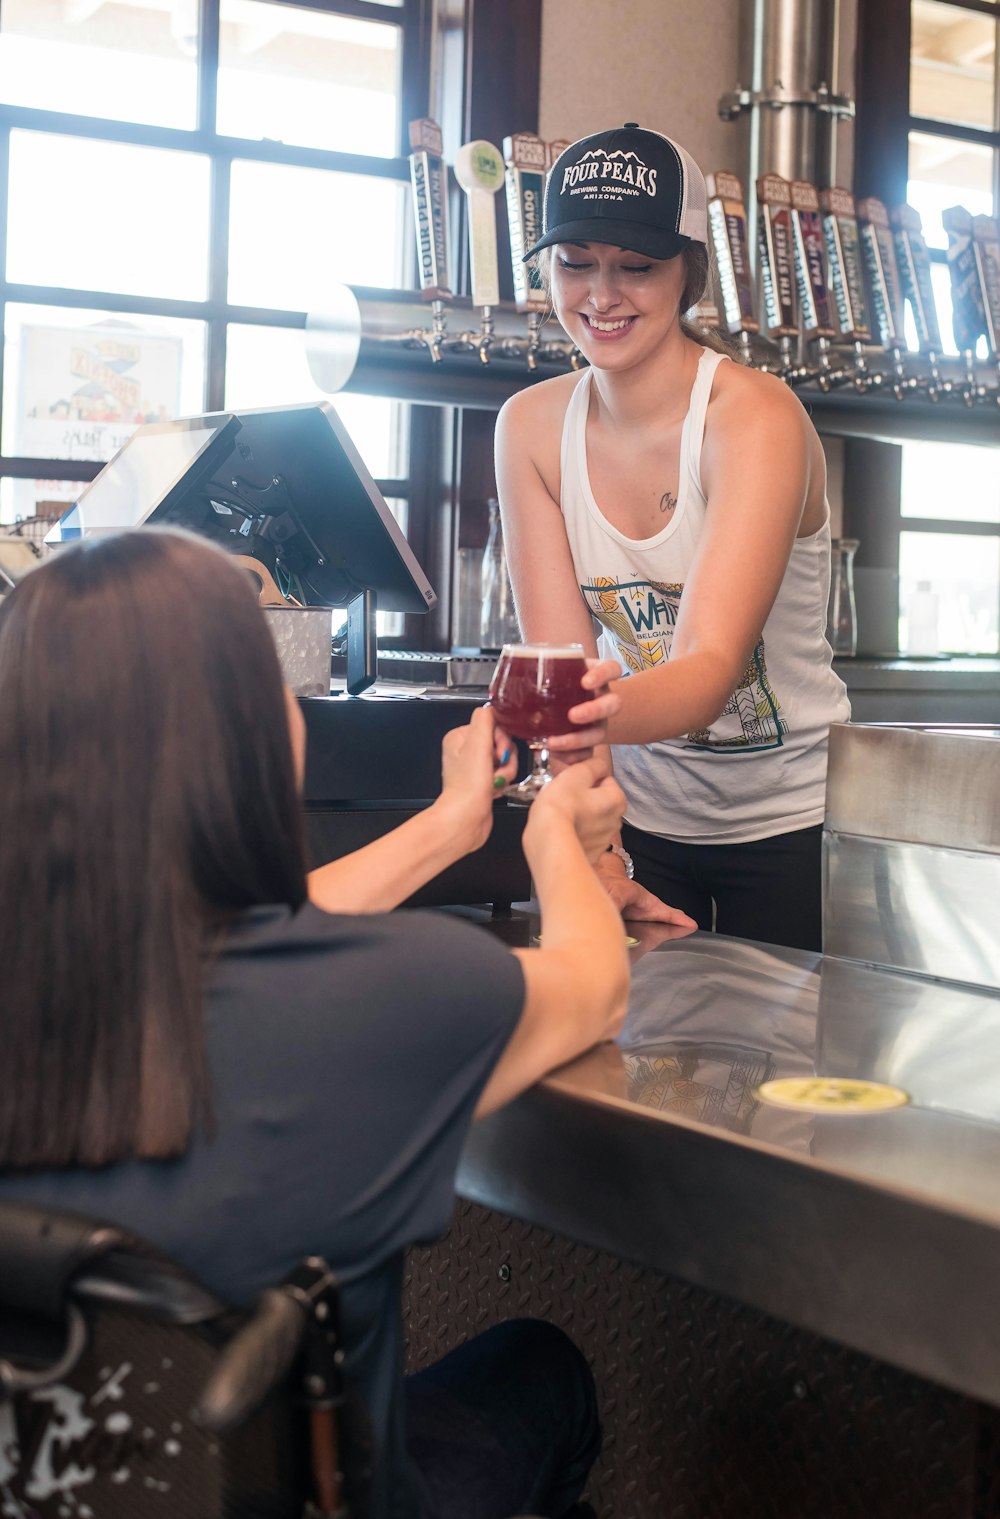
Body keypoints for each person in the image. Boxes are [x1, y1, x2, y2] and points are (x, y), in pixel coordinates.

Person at [0, 527, 631, 1519]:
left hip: (66, 1481)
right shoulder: (382, 1000)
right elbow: (593, 985)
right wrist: (555, 837)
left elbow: (233, 927)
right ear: (255, 734)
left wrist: (451, 824)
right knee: (541, 1371)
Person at [495, 123, 850, 954]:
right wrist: (600, 845)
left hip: (796, 826)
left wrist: (549, 712)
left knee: (792, 1081)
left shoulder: (755, 417)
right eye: (574, 261)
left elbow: (705, 671)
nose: (601, 294)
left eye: (637, 265)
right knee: (631, 1071)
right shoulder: (530, 429)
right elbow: (561, 657)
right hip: (640, 823)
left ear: (689, 270)